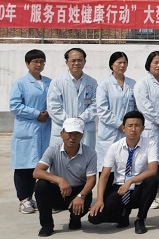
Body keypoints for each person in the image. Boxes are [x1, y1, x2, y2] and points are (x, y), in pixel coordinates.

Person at [88, 111, 159, 234]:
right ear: (123, 128)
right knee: (94, 218)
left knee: (152, 181)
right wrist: (99, 200)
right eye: (130, 125)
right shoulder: (115, 147)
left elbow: (153, 170)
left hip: (138, 188)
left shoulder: (150, 144)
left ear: (143, 128)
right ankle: (122, 215)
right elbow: (104, 176)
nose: (133, 129)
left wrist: (131, 181)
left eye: (137, 125)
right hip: (120, 188)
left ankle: (140, 219)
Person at [33, 118, 97, 237]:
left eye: (77, 134)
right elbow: (37, 172)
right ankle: (47, 225)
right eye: (69, 133)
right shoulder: (53, 149)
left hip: (78, 190)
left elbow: (91, 179)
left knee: (81, 206)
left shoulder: (90, 153)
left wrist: (81, 196)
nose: (72, 138)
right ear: (62, 134)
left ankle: (75, 219)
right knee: (41, 185)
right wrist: (59, 180)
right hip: (58, 190)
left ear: (82, 135)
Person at [10, 49, 52, 214]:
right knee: (23, 166)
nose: (38, 64)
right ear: (27, 64)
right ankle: (24, 199)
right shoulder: (21, 83)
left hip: (45, 129)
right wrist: (36, 113)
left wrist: (47, 113)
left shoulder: (49, 82)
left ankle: (36, 197)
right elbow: (14, 105)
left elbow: (55, 100)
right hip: (27, 130)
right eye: (35, 61)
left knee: (40, 165)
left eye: (41, 61)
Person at [134, 51, 159, 209]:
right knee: (149, 162)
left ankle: (156, 194)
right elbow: (144, 105)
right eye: (155, 62)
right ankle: (146, 196)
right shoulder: (142, 83)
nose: (158, 65)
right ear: (149, 64)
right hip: (151, 127)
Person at [47, 48, 98, 149]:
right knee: (62, 157)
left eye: (79, 60)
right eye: (73, 60)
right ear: (66, 62)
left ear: (84, 62)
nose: (76, 63)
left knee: (85, 156)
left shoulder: (92, 82)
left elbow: (96, 104)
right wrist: (71, 123)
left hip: (85, 127)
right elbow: (53, 106)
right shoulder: (57, 82)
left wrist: (81, 119)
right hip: (63, 127)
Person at [96, 52, 136, 173]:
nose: (122, 65)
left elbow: (136, 108)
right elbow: (102, 111)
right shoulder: (104, 85)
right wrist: (120, 124)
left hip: (128, 131)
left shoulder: (133, 84)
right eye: (119, 62)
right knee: (108, 169)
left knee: (126, 167)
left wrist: (129, 125)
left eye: (124, 63)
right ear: (112, 65)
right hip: (109, 133)